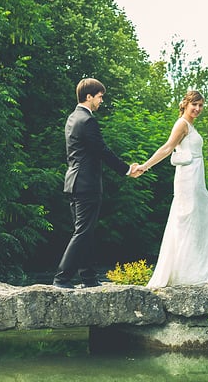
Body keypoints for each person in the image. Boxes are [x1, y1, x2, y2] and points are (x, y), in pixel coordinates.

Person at [53, 78, 141, 289]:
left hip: (73, 183)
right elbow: (102, 150)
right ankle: (61, 278)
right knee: (83, 232)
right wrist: (128, 169)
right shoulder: (87, 120)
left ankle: (89, 278)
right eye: (100, 96)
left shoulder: (72, 118)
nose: (102, 101)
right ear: (89, 96)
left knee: (85, 231)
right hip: (86, 184)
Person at [136, 90, 208, 288]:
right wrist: (145, 166)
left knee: (206, 222)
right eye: (195, 104)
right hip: (188, 181)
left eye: (201, 105)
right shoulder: (182, 124)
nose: (198, 109)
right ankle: (188, 276)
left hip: (196, 180)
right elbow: (167, 148)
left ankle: (194, 272)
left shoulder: (190, 125)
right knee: (190, 223)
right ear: (185, 103)